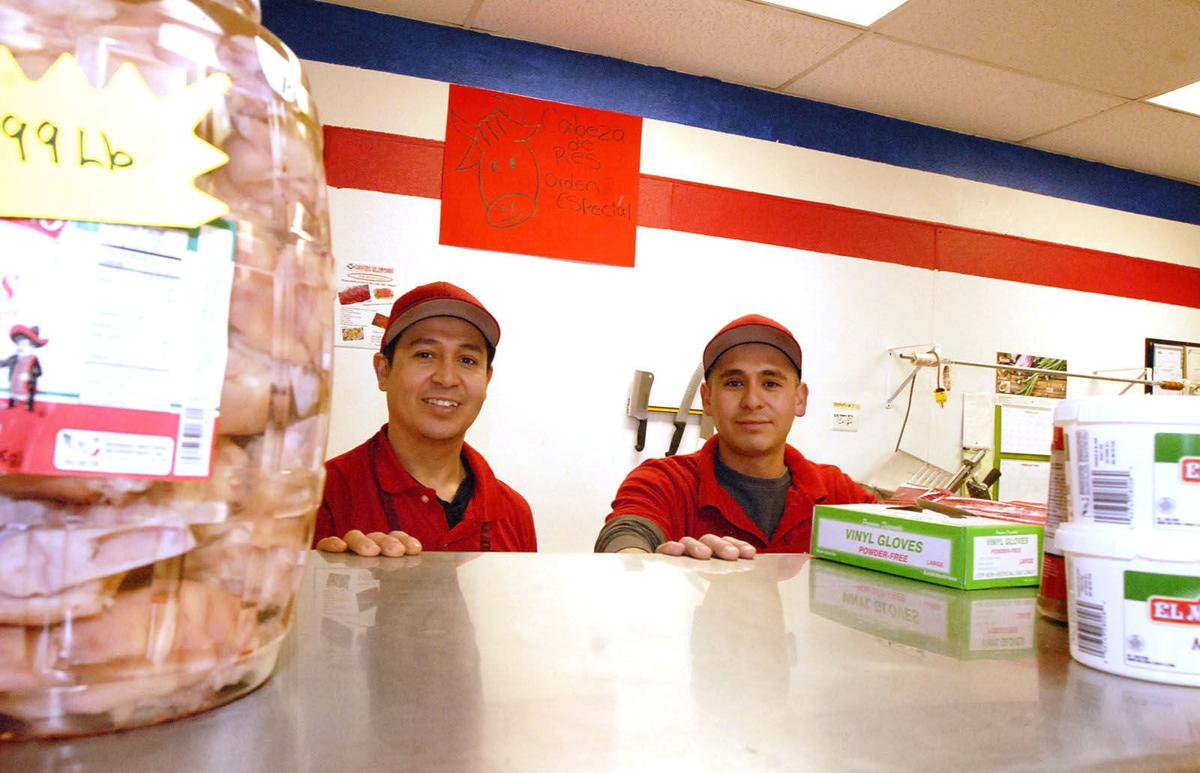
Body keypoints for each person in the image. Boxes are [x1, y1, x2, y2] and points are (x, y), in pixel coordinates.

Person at [596, 314, 875, 560]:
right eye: (734, 383)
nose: (752, 401)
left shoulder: (840, 494)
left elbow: (905, 539)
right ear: (707, 399)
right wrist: (641, 564)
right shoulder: (664, 482)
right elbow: (627, 534)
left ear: (799, 399)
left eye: (771, 383)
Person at [314, 281, 536, 556]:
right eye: (425, 354)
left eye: (467, 360)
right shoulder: (319, 497)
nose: (446, 378)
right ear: (383, 371)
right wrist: (329, 581)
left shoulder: (514, 512)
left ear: (487, 379)